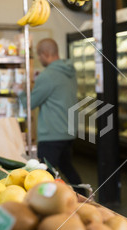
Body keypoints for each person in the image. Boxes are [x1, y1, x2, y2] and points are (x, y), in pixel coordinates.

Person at [16, 38, 84, 194]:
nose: (39, 59)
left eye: (39, 56)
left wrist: (20, 91)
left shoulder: (47, 76)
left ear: (45, 54)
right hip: (67, 131)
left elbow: (31, 103)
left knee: (45, 174)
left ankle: (48, 204)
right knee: (67, 167)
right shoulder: (69, 71)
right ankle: (84, 199)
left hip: (51, 134)